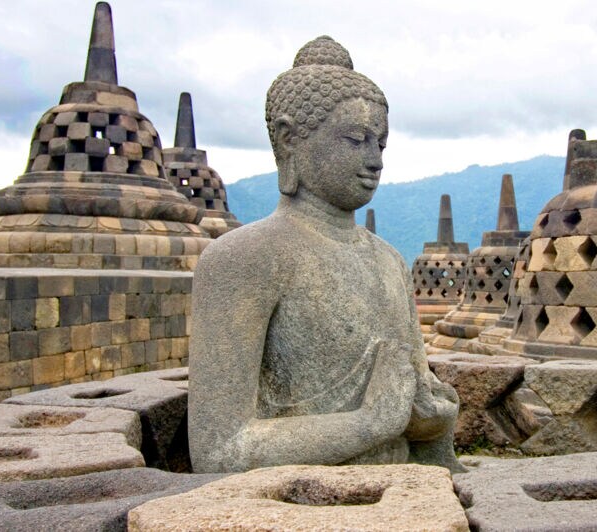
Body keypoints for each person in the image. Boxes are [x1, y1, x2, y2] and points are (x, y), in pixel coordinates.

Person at [188, 36, 462, 473]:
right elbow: (220, 450)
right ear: (290, 138)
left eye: (381, 144)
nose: (375, 161)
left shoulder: (390, 261)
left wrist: (430, 420)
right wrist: (368, 425)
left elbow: (418, 427)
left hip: (407, 500)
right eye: (355, 140)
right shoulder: (243, 259)